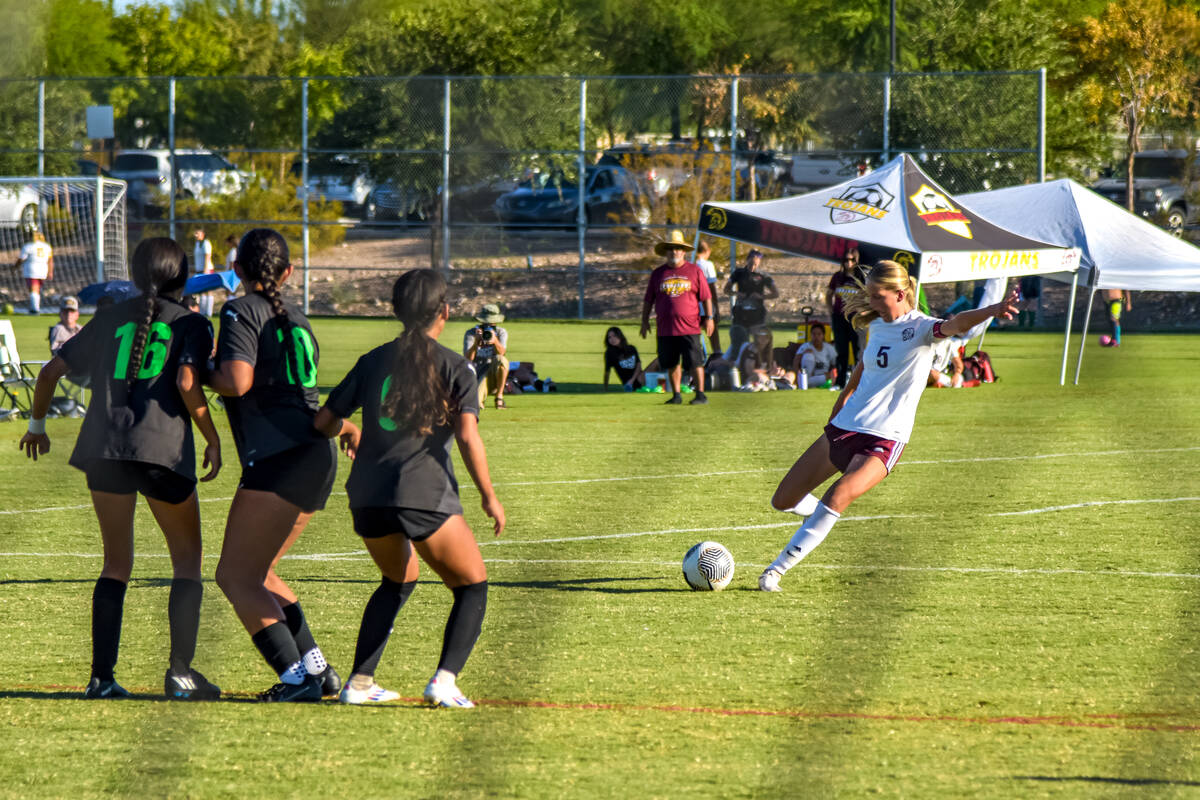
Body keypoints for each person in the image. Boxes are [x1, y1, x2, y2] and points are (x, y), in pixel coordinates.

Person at [18, 237, 223, 699]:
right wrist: (211, 438)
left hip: (103, 449)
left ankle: (102, 678)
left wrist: (36, 427)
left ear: (133, 275)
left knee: (116, 564)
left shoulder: (109, 318)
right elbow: (190, 384)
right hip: (162, 449)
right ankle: (181, 673)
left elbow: (49, 373)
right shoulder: (192, 322)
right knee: (187, 561)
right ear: (183, 277)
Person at [758, 260, 1018, 592]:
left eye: (878, 296)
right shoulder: (878, 327)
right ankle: (818, 518)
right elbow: (864, 366)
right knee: (783, 499)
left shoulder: (924, 327)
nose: (873, 303)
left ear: (899, 293)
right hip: (847, 426)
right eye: (870, 296)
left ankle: (776, 571)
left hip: (885, 438)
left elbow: (957, 323)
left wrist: (994, 308)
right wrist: (845, 395)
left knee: (837, 496)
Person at [313, 269, 505, 707]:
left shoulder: (372, 360)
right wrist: (489, 498)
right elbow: (468, 436)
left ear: (397, 312)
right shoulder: (456, 366)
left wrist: (349, 428)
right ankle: (444, 680)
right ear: (446, 312)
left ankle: (359, 683)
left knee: (397, 579)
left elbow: (322, 422)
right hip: (422, 491)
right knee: (472, 586)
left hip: (366, 494)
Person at [206, 228, 342, 702]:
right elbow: (300, 397)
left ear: (237, 270)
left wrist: (197, 368)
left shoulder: (241, 309)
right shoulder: (298, 318)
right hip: (313, 454)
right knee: (260, 572)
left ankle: (295, 677)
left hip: (280, 457)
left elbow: (237, 381)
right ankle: (319, 671)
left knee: (234, 576)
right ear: (287, 273)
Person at [640, 229, 714, 405]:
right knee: (672, 363)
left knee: (695, 362)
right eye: (671, 248)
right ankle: (676, 395)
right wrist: (644, 321)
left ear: (683, 251)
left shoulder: (694, 271)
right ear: (666, 251)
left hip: (690, 327)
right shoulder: (658, 274)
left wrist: (709, 318)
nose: (674, 252)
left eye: (678, 248)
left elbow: (706, 297)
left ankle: (701, 394)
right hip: (666, 328)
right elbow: (648, 300)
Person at [724, 249, 778, 355]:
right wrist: (736, 294)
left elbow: (775, 293)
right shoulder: (738, 273)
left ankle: (757, 363)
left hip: (756, 313)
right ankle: (737, 362)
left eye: (756, 265)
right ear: (747, 260)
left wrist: (761, 296)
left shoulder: (763, 275)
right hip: (741, 312)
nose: (753, 267)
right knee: (739, 342)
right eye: (751, 264)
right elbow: (726, 290)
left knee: (759, 342)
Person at [827, 248, 865, 388]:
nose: (848, 263)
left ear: (856, 261)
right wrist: (831, 311)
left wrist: (863, 313)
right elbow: (829, 295)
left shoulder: (861, 277)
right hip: (839, 318)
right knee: (841, 352)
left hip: (856, 320)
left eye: (851, 260)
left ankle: (857, 383)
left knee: (857, 352)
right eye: (845, 260)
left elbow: (868, 297)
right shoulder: (838, 277)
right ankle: (840, 383)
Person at [463, 303, 510, 409]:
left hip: (493, 372)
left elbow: (502, 353)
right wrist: (476, 343)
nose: (488, 326)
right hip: (477, 373)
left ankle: (499, 397)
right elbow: (468, 359)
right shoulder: (471, 333)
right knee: (476, 404)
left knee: (501, 359)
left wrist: (495, 341)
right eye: (485, 324)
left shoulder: (501, 332)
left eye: (492, 324)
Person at [790, 321, 838, 388]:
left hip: (823, 376)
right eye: (814, 334)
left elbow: (836, 364)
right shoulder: (806, 346)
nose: (816, 337)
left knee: (828, 377)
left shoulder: (829, 348)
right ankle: (803, 382)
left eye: (819, 334)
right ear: (811, 335)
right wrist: (797, 374)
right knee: (808, 355)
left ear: (823, 335)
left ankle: (806, 384)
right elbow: (796, 361)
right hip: (808, 375)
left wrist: (832, 373)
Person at [15, 231, 53, 314]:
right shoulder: (47, 246)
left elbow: (21, 258)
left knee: (33, 290)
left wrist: (15, 267)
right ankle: (35, 307)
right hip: (43, 270)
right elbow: (50, 260)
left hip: (31, 270)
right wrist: (50, 272)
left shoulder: (28, 246)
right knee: (36, 290)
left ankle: (35, 309)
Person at [694, 240, 721, 354]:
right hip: (706, 306)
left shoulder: (690, 263)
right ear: (707, 251)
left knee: (694, 336)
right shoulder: (707, 265)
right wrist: (716, 309)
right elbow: (711, 288)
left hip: (693, 307)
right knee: (713, 334)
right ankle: (717, 354)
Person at [603, 326, 644, 391]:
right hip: (629, 384)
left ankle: (665, 388)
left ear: (620, 336)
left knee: (659, 360)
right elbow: (607, 372)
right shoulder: (610, 353)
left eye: (614, 336)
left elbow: (639, 366)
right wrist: (605, 388)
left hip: (639, 378)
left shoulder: (632, 348)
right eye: (609, 337)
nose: (612, 339)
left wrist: (632, 380)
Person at [193, 229, 215, 317]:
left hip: (206, 269)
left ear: (203, 234)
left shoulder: (206, 243)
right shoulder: (197, 244)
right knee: (201, 290)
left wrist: (206, 268)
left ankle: (209, 312)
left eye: (197, 233)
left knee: (208, 290)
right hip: (199, 269)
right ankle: (202, 311)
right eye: (195, 233)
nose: (196, 235)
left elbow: (207, 255)